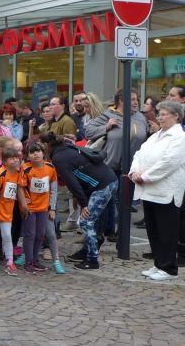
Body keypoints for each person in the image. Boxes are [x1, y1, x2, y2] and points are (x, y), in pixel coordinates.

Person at [41, 132, 117, 270]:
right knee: (92, 220)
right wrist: (79, 198)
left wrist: (84, 204)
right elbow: (78, 175)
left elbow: (72, 182)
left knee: (86, 221)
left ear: (46, 145)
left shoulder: (58, 158)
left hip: (102, 186)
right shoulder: (67, 148)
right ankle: (86, 251)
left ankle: (92, 260)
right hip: (106, 180)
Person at [130, 101, 185, 281]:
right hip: (148, 191)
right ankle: (158, 263)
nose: (159, 117)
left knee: (166, 231)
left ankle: (168, 268)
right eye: (159, 114)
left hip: (166, 191)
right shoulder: (155, 136)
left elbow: (169, 162)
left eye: (164, 114)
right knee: (153, 230)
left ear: (176, 116)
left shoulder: (179, 137)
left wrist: (145, 176)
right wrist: (134, 171)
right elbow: (139, 153)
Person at [84, 88, 148, 241]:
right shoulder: (108, 115)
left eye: (136, 99)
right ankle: (103, 232)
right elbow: (89, 132)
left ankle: (121, 234)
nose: (136, 102)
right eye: (132, 99)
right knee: (108, 200)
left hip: (131, 167)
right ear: (121, 101)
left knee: (125, 202)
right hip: (110, 165)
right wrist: (106, 127)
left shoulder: (140, 117)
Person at [0, 147, 28, 276]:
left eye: (16, 158)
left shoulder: (19, 172)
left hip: (7, 210)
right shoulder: (1, 173)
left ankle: (9, 262)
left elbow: (19, 188)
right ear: (4, 161)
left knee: (7, 235)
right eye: (11, 159)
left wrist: (24, 205)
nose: (15, 160)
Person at [19, 143, 58, 274]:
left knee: (40, 234)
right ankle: (28, 262)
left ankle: (35, 260)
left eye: (38, 151)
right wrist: (24, 204)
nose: (35, 154)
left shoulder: (50, 167)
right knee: (30, 234)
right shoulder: (25, 168)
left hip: (43, 208)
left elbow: (53, 189)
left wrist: (52, 207)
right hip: (29, 208)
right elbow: (21, 188)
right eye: (32, 152)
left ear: (43, 153)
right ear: (27, 156)